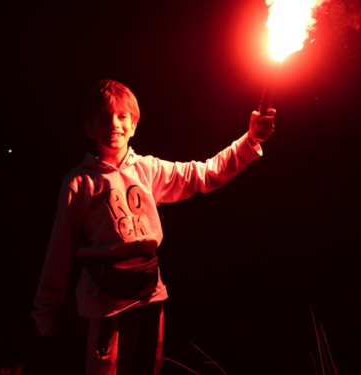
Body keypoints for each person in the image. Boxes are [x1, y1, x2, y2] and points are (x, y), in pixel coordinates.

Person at [31, 79, 276, 375]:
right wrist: (46, 314)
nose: (114, 124)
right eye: (103, 118)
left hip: (150, 295)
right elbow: (60, 249)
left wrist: (249, 141)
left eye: (122, 116)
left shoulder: (148, 169)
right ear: (89, 128)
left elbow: (204, 174)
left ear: (133, 125)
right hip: (103, 305)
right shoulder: (79, 182)